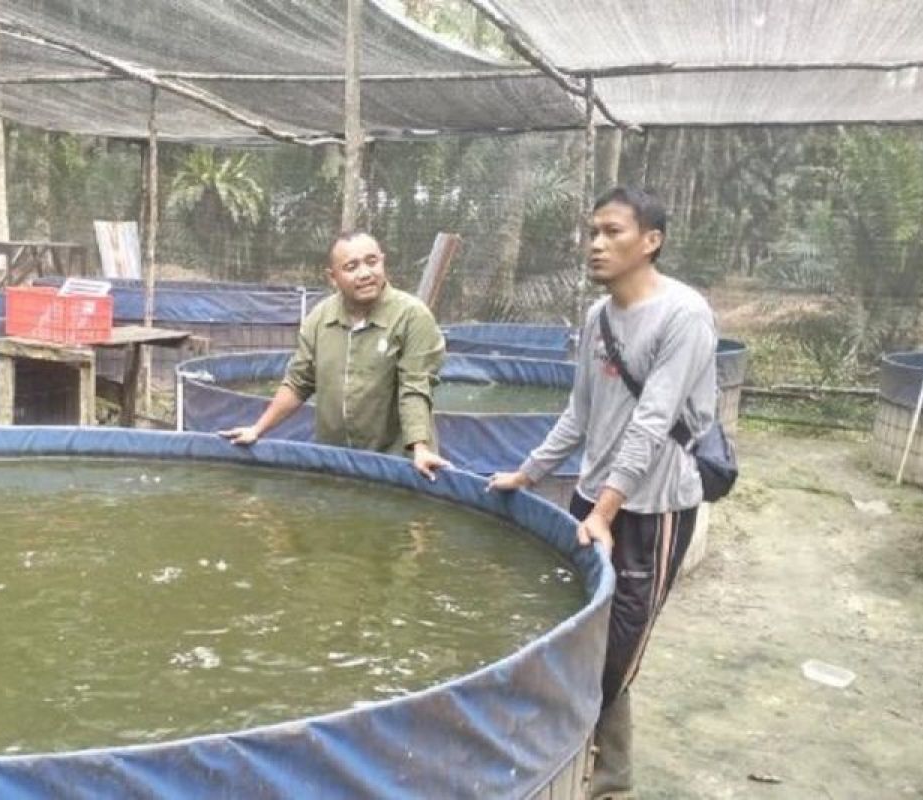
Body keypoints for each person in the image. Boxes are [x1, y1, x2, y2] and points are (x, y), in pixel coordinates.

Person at [488, 186, 717, 799]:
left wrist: (608, 510)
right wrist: (528, 474)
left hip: (653, 507)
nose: (596, 243)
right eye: (592, 232)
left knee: (619, 651)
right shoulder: (596, 318)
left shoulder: (684, 316)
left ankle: (602, 779)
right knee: (580, 628)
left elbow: (653, 421)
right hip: (595, 501)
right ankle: (600, 772)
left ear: (651, 241)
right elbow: (580, 413)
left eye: (612, 231)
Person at [221, 231, 451, 480]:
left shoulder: (412, 317)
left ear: (383, 261)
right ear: (333, 277)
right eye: (351, 267)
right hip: (337, 464)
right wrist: (257, 429)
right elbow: (298, 382)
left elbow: (415, 387)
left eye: (372, 262)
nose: (365, 273)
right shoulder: (321, 318)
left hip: (399, 465)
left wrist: (420, 448)